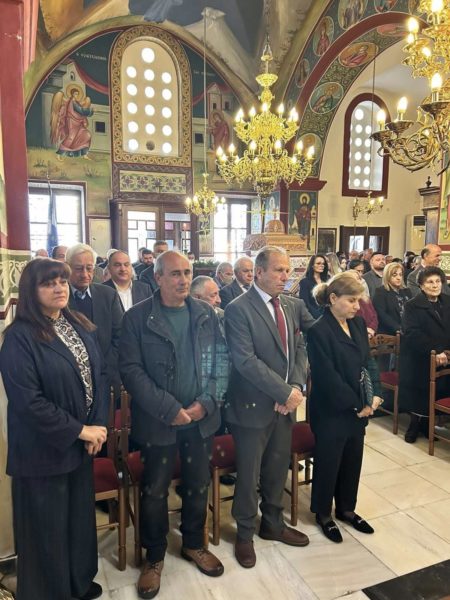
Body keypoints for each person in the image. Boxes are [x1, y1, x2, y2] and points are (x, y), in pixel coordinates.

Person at [119, 251, 228, 599]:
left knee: (197, 483)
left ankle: (193, 543)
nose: (183, 280)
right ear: (158, 277)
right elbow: (131, 371)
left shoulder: (206, 313)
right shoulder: (137, 318)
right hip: (158, 422)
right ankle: (154, 556)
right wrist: (170, 409)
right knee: (154, 490)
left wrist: (205, 404)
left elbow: (221, 362)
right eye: (175, 274)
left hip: (199, 421)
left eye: (187, 273)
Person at [0, 258, 108, 600]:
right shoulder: (18, 337)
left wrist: (98, 424)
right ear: (31, 291)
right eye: (49, 283)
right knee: (47, 531)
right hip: (42, 451)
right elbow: (28, 402)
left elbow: (99, 375)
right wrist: (81, 431)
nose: (60, 288)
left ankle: (77, 582)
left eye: (62, 281)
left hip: (80, 444)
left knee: (77, 522)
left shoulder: (76, 322)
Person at [224, 246, 315, 569]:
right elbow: (245, 360)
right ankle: (245, 533)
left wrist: (295, 387)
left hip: (285, 404)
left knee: (277, 467)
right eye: (278, 270)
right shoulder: (238, 309)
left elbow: (300, 346)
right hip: (252, 405)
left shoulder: (291, 305)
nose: (285, 276)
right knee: (249, 474)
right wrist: (283, 391)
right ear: (259, 272)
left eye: (287, 270)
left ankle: (273, 523)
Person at [307, 272, 383, 543]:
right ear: (333, 298)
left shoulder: (358, 324)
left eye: (358, 301)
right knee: (329, 462)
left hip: (359, 406)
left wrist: (375, 395)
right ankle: (323, 513)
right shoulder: (318, 330)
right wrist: (357, 405)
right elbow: (327, 376)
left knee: (352, 459)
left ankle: (346, 508)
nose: (357, 306)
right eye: (351, 300)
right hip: (332, 408)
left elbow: (368, 361)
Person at [400, 266, 450, 443]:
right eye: (430, 282)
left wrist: (446, 352)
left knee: (440, 389)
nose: (435, 285)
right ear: (421, 286)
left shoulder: (448, 301)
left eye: (438, 281)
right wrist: (436, 350)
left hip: (445, 356)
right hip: (419, 356)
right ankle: (414, 424)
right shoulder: (412, 305)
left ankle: (428, 424)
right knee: (421, 392)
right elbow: (413, 333)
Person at [66, 244, 123, 388]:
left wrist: (105, 368)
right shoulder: (60, 298)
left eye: (89, 268)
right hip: (70, 378)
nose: (85, 274)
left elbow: (120, 335)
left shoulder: (108, 295)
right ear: (67, 267)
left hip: (106, 375)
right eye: (78, 268)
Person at [373, 262, 412, 334]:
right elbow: (382, 315)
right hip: (390, 332)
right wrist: (398, 328)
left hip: (408, 330)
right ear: (387, 276)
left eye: (400, 275)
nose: (398, 278)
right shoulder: (380, 292)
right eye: (394, 275)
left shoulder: (407, 291)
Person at [347, 263, 378, 338]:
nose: (358, 281)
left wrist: (371, 329)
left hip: (371, 334)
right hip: (357, 335)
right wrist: (365, 330)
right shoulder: (347, 300)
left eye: (359, 279)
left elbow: (374, 316)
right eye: (354, 279)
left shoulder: (366, 298)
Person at [298, 254, 329, 319]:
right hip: (312, 317)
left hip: (327, 315)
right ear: (312, 265)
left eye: (323, 264)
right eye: (318, 263)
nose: (322, 265)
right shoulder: (305, 282)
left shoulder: (327, 280)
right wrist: (318, 316)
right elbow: (305, 302)